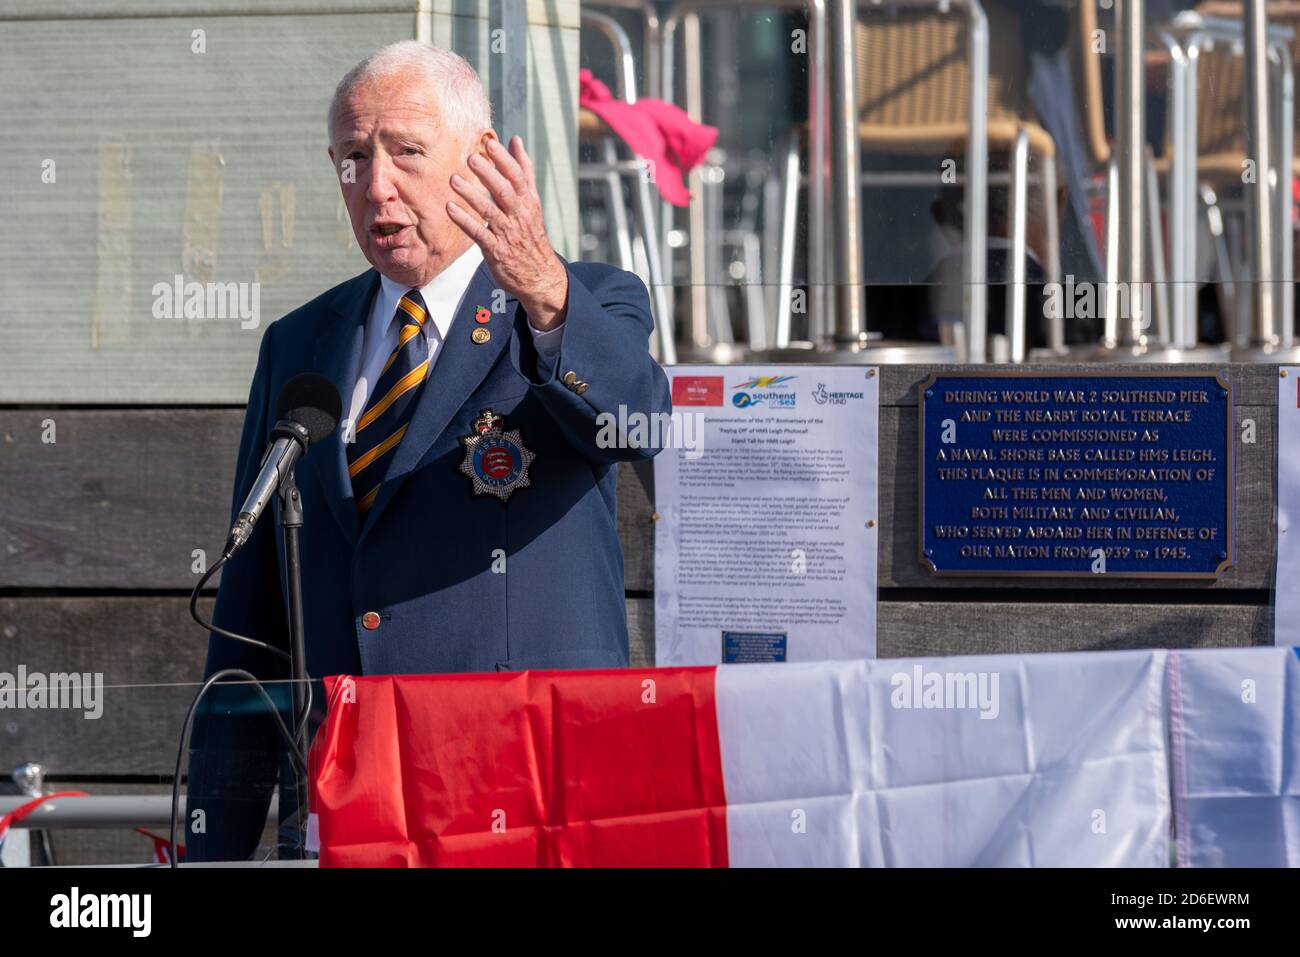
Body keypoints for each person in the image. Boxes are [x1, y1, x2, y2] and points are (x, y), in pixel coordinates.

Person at [185, 41, 672, 861]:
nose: (376, 186)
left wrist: (545, 290)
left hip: (523, 800)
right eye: (352, 158)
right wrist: (216, 847)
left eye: (406, 152)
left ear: (481, 160)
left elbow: (643, 424)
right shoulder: (301, 343)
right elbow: (251, 617)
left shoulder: (580, 300)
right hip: (348, 806)